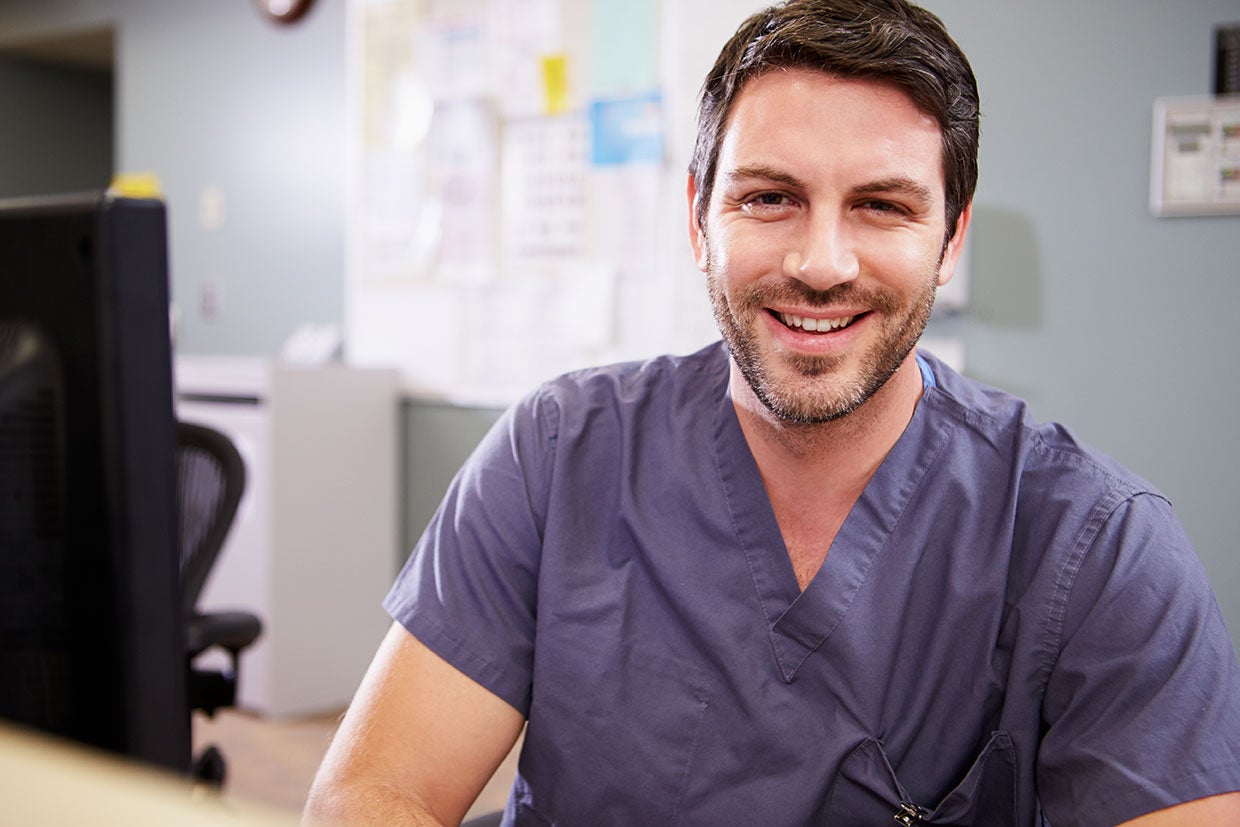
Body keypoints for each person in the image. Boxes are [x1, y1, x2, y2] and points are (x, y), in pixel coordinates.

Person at [304, 1, 1240, 824]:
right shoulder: (558, 454)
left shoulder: (1100, 547)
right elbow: (368, 794)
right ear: (697, 218)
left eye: (881, 205)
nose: (822, 261)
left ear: (951, 237)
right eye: (769, 197)